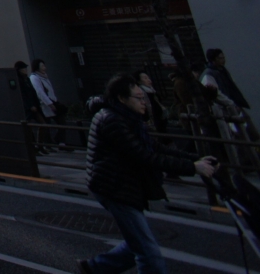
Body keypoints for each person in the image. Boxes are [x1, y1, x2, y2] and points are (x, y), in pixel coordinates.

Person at [75, 74, 217, 274]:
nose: (144, 102)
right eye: (139, 98)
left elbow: (153, 147)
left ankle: (95, 268)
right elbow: (144, 155)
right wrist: (193, 167)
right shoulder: (112, 120)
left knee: (139, 241)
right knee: (148, 251)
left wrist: (193, 159)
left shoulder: (126, 116)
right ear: (122, 99)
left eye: (144, 97)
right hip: (114, 187)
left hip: (124, 184)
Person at [30, 59, 67, 150]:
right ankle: (49, 144)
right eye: (42, 66)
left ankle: (59, 142)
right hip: (45, 104)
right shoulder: (35, 77)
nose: (44, 68)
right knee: (47, 124)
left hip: (52, 102)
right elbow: (40, 92)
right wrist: (50, 104)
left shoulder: (44, 76)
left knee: (60, 121)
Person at [14, 61, 49, 154]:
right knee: (28, 128)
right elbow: (22, 95)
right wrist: (29, 106)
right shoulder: (18, 80)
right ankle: (33, 148)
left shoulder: (27, 79)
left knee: (43, 124)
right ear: (19, 70)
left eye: (26, 68)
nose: (25, 70)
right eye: (23, 68)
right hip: (27, 108)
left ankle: (39, 145)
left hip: (34, 105)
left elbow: (32, 92)